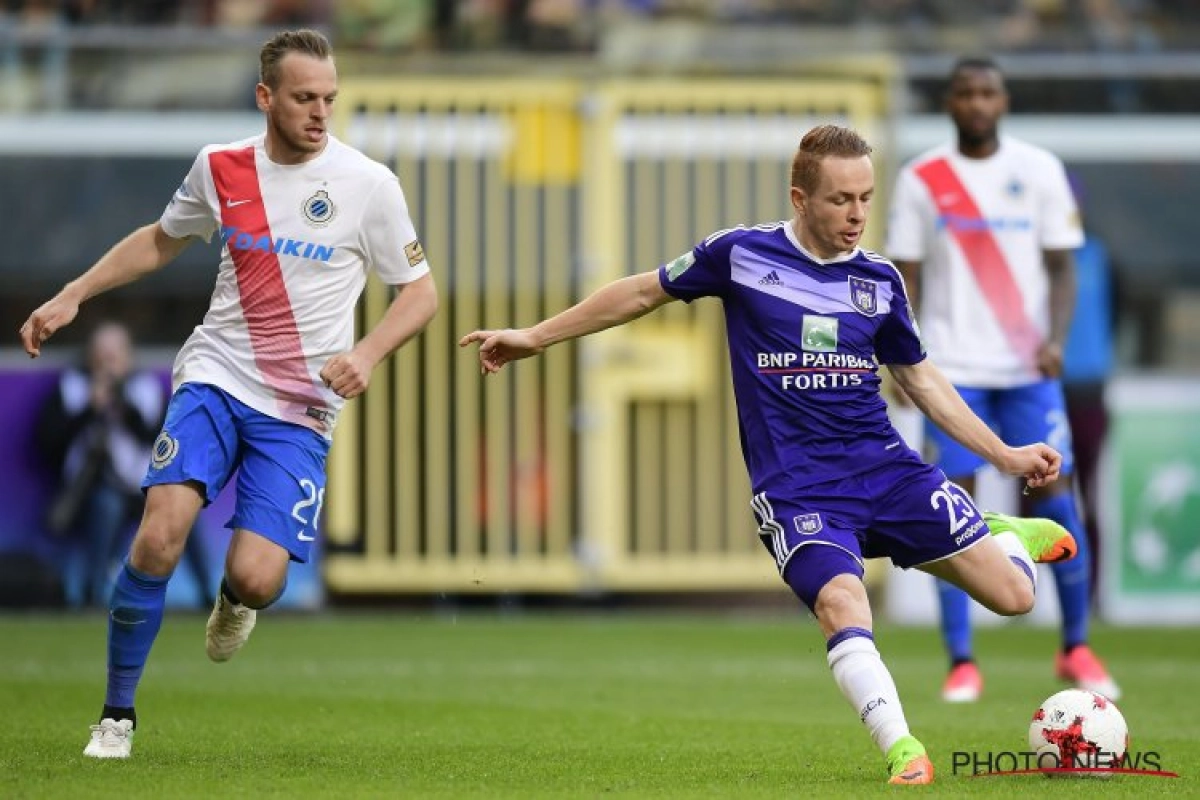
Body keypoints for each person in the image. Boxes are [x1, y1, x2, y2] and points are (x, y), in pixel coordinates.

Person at [461, 124, 1078, 786]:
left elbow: (920, 381)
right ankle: (903, 749)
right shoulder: (740, 255)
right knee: (843, 603)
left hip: (886, 471)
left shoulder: (880, 280)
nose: (858, 214)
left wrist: (1006, 456)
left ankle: (1003, 537)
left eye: (866, 197)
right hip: (799, 489)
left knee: (1015, 597)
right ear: (800, 198)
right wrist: (536, 336)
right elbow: (640, 292)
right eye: (841, 199)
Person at [19, 28, 438, 759]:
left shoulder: (369, 185)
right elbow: (161, 238)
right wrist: (73, 295)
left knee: (256, 573)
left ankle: (238, 601)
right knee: (156, 536)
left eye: (330, 98)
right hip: (215, 375)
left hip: (301, 407)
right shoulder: (221, 167)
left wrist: (368, 353)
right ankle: (116, 716)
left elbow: (421, 293)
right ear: (265, 97)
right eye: (305, 98)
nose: (320, 113)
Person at [885, 56, 1119, 703]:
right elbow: (904, 276)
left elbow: (1063, 269)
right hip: (951, 372)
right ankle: (961, 661)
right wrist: (903, 358)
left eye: (987, 92)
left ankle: (1075, 647)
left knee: (1057, 499)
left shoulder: (1039, 170)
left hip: (1025, 371)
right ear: (950, 103)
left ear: (1003, 100)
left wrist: (1057, 341)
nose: (976, 102)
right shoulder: (921, 178)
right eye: (965, 92)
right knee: (949, 512)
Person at [36, 321, 214, 610]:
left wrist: (124, 407)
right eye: (101, 352)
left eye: (115, 353)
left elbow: (163, 440)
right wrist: (89, 410)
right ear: (90, 354)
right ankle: (91, 594)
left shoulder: (146, 389)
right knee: (106, 506)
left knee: (183, 509)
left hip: (143, 485)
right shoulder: (71, 388)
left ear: (128, 356)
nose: (108, 361)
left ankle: (208, 592)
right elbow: (47, 444)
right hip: (94, 488)